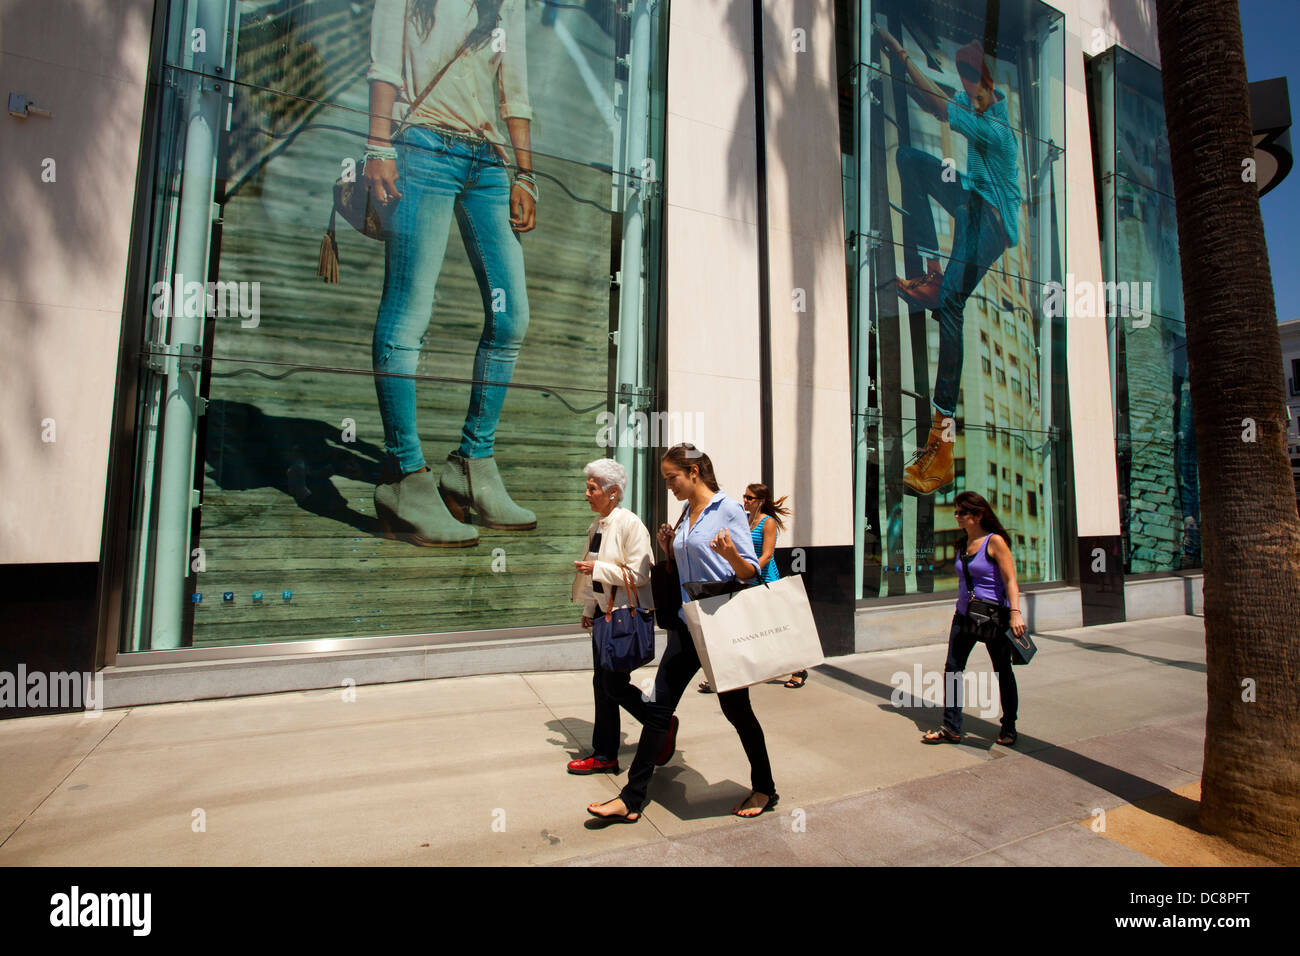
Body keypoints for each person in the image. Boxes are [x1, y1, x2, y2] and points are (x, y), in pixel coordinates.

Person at [366, 0, 539, 546]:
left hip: (487, 161)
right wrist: (377, 144)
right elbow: (385, 65)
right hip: (422, 147)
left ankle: (472, 463)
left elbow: (516, 86)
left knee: (512, 319)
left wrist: (526, 174)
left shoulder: (508, 4)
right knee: (410, 309)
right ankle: (403, 475)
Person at [586, 444, 779, 823]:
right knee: (659, 710)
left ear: (694, 472)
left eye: (672, 478)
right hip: (687, 623)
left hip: (720, 624)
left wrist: (731, 555)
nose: (668, 486)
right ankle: (631, 798)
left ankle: (765, 787)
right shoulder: (688, 510)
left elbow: (748, 572)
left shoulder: (728, 508)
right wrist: (669, 551)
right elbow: (690, 567)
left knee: (737, 710)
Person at [876, 28, 1022, 497]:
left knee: (954, 306)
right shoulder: (973, 102)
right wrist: (906, 61)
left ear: (988, 86)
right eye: (961, 82)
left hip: (992, 221)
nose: (966, 93)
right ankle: (931, 272)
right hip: (970, 203)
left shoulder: (996, 126)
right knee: (912, 160)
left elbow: (937, 107)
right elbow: (935, 98)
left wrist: (899, 51)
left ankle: (942, 443)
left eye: (971, 84)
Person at [568, 458, 654, 775]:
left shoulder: (630, 525)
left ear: (613, 492)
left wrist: (597, 569)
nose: (586, 494)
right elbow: (594, 572)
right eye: (588, 487)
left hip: (621, 617)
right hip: (604, 617)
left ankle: (658, 720)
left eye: (592, 488)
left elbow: (639, 574)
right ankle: (605, 754)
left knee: (612, 685)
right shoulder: (597, 526)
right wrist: (589, 608)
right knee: (603, 685)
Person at [922, 492, 1027, 746]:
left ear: (978, 515)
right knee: (953, 669)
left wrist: (1015, 613)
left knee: (1002, 671)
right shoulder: (961, 544)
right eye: (956, 512)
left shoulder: (995, 542)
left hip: (993, 617)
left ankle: (1009, 726)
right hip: (964, 616)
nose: (956, 516)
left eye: (962, 512)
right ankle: (952, 727)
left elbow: (1011, 580)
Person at [698, 483, 798, 692]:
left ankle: (799, 667)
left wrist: (749, 571)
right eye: (744, 496)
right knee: (735, 630)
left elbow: (767, 555)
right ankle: (720, 675)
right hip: (744, 581)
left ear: (760, 501)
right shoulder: (745, 521)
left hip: (764, 581)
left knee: (776, 629)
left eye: (750, 498)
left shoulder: (767, 523)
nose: (745, 500)